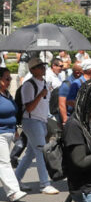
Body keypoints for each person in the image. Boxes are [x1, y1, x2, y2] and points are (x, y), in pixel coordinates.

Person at [16, 57, 58, 194]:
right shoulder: (29, 85)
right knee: (41, 151)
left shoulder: (44, 82)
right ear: (32, 70)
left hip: (41, 121)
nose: (43, 68)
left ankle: (16, 180)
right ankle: (44, 184)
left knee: (30, 153)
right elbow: (28, 108)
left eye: (43, 66)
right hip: (31, 121)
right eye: (40, 66)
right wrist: (41, 95)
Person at [0, 67, 27, 202]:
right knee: (4, 163)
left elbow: (12, 113)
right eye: (7, 78)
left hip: (9, 132)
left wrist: (15, 129)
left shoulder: (7, 94)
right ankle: (13, 192)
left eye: (10, 78)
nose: (10, 80)